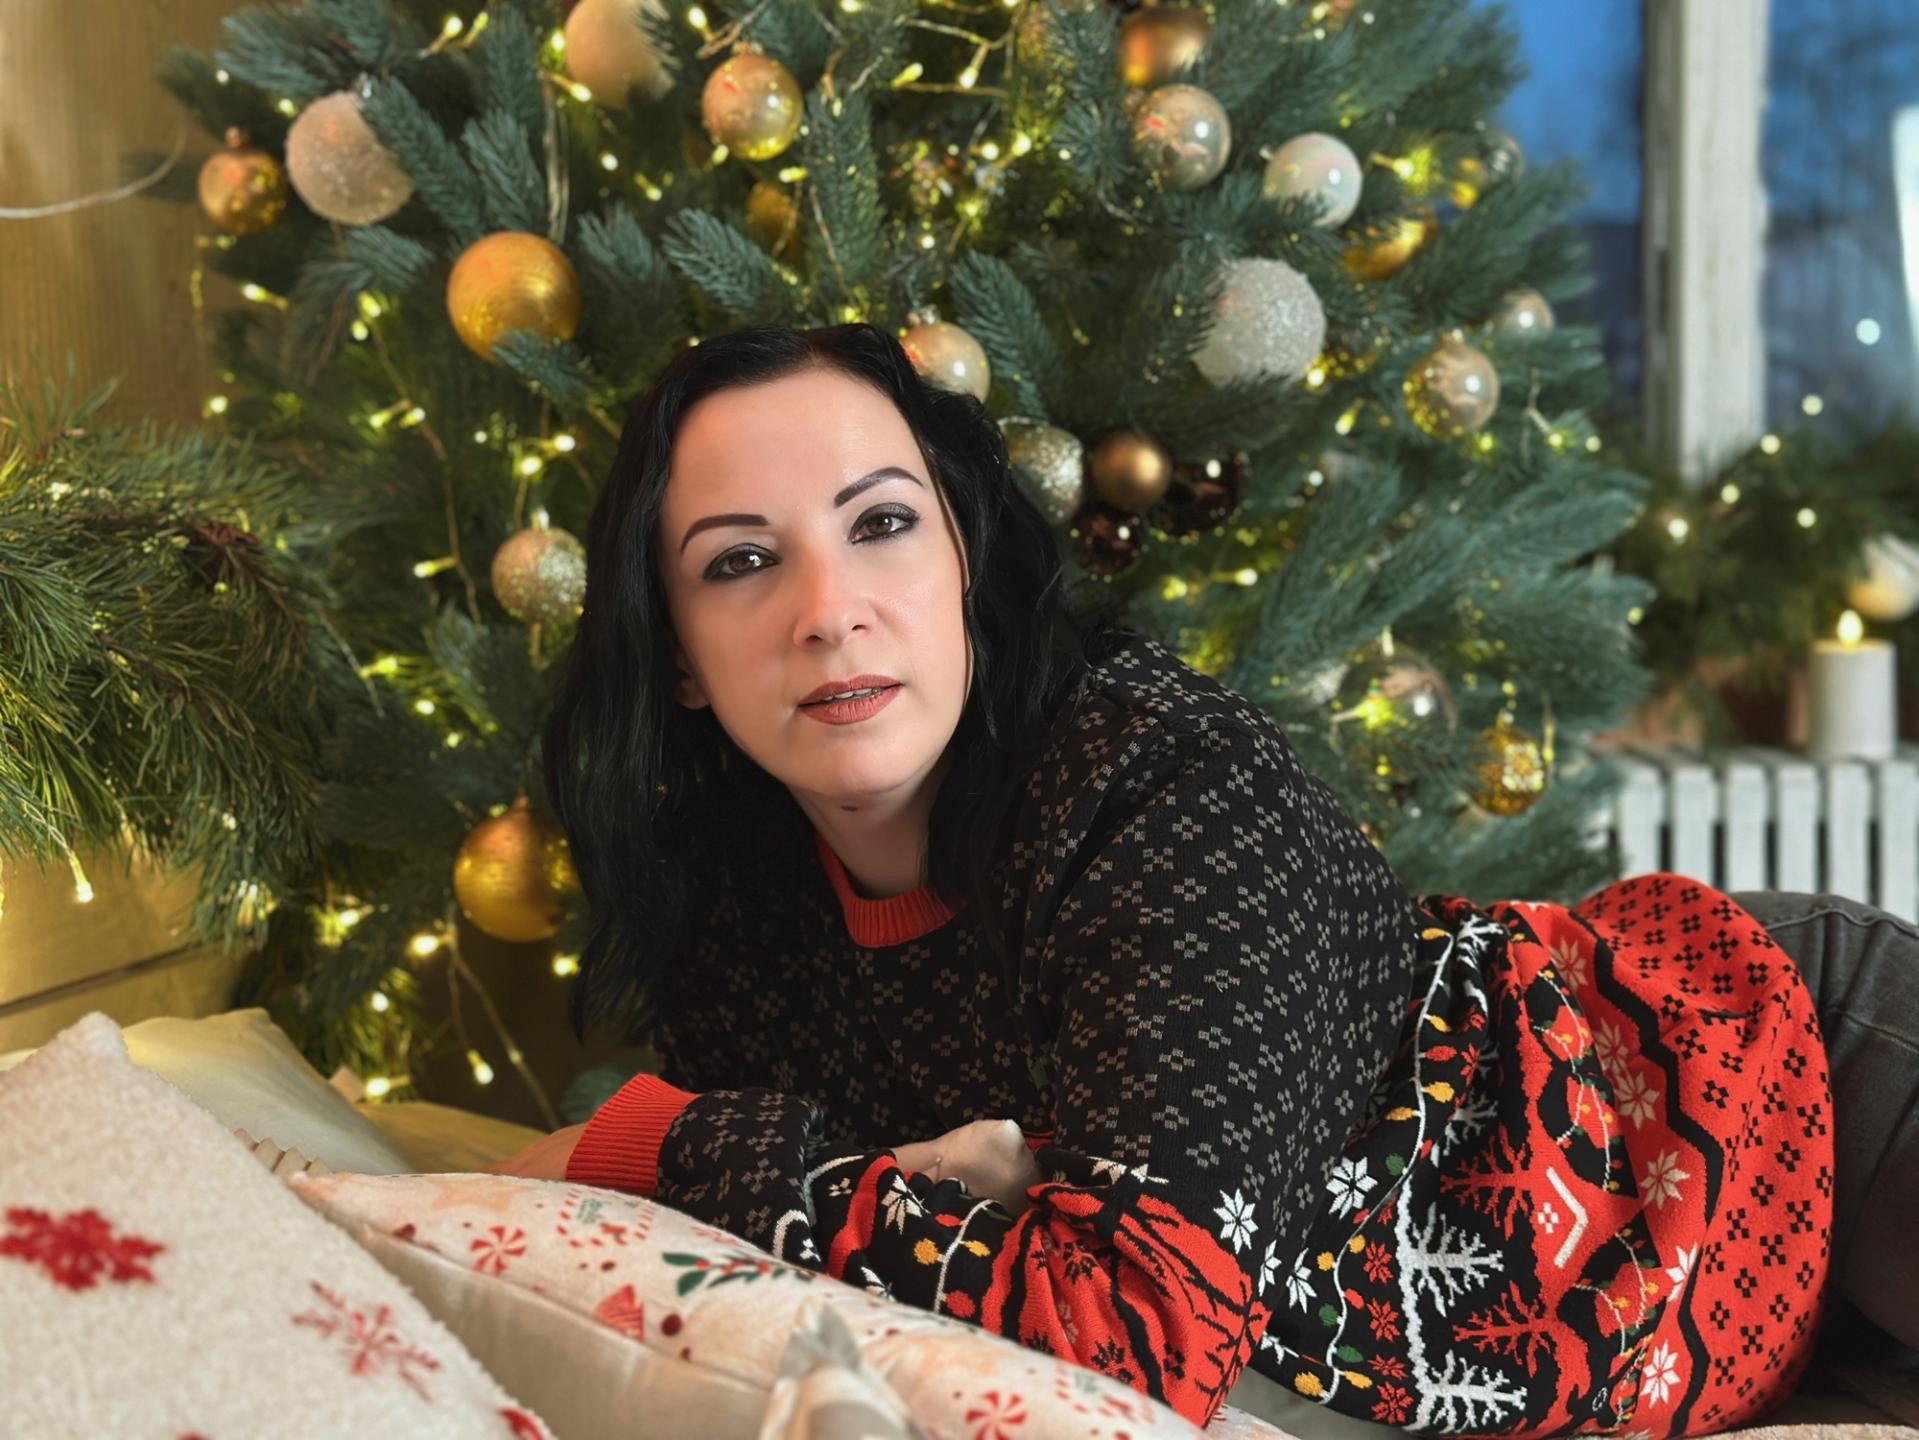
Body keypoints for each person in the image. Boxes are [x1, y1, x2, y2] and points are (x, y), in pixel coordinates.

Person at [485, 322, 1916, 1437]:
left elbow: (1132, 1338)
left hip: (1789, 1084)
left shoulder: (1158, 779)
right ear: (677, 653)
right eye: (741, 561)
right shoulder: (741, 918)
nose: (827, 611)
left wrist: (681, 1143)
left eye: (882, 524)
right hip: (1630, 1352)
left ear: (965, 565)